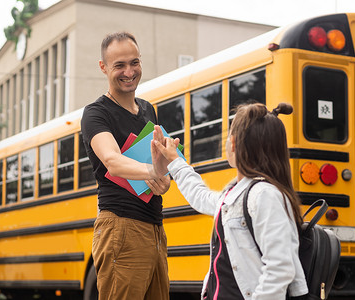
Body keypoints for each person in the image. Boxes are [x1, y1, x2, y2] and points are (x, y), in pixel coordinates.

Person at [151, 102, 309, 300]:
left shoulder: (264, 196)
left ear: (233, 144)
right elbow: (201, 197)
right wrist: (175, 162)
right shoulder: (236, 194)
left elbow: (280, 269)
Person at [81, 32, 170, 300]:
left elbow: (157, 167)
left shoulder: (148, 110)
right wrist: (153, 171)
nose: (129, 72)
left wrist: (163, 179)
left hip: (155, 229)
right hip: (120, 227)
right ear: (103, 67)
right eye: (119, 65)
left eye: (134, 62)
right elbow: (112, 161)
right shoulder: (96, 113)